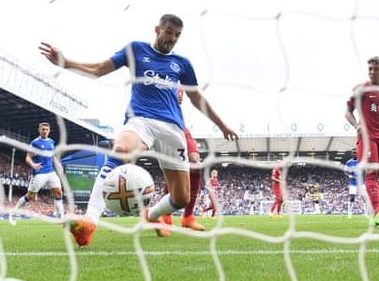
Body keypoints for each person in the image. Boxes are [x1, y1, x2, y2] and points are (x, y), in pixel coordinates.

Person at [38, 14, 238, 246]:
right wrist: (65, 62)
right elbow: (98, 69)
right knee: (121, 149)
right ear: (157, 29)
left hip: (174, 129)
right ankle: (89, 222)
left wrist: (222, 125)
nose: (172, 38)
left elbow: (196, 98)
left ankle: (151, 216)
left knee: (181, 198)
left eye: (177, 35)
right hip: (141, 119)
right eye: (169, 31)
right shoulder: (136, 50)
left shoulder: (182, 64)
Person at [345, 56, 379, 227]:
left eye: (375, 69)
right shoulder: (360, 89)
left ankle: (376, 213)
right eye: (370, 69)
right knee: (371, 171)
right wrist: (356, 125)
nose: (372, 72)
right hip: (367, 137)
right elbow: (347, 111)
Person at [160, 89, 205, 232]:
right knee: (173, 168)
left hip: (179, 125)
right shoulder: (152, 72)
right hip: (160, 125)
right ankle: (165, 214)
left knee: (196, 162)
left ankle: (188, 217)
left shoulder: (179, 70)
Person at [9, 122, 64, 225]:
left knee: (59, 193)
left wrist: (58, 165)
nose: (45, 131)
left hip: (51, 172)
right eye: (43, 129)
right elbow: (28, 157)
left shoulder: (51, 142)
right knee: (30, 196)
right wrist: (33, 165)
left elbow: (52, 156)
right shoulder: (35, 143)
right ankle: (14, 214)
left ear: (49, 131)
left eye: (46, 129)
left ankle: (60, 217)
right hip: (39, 173)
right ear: (39, 130)